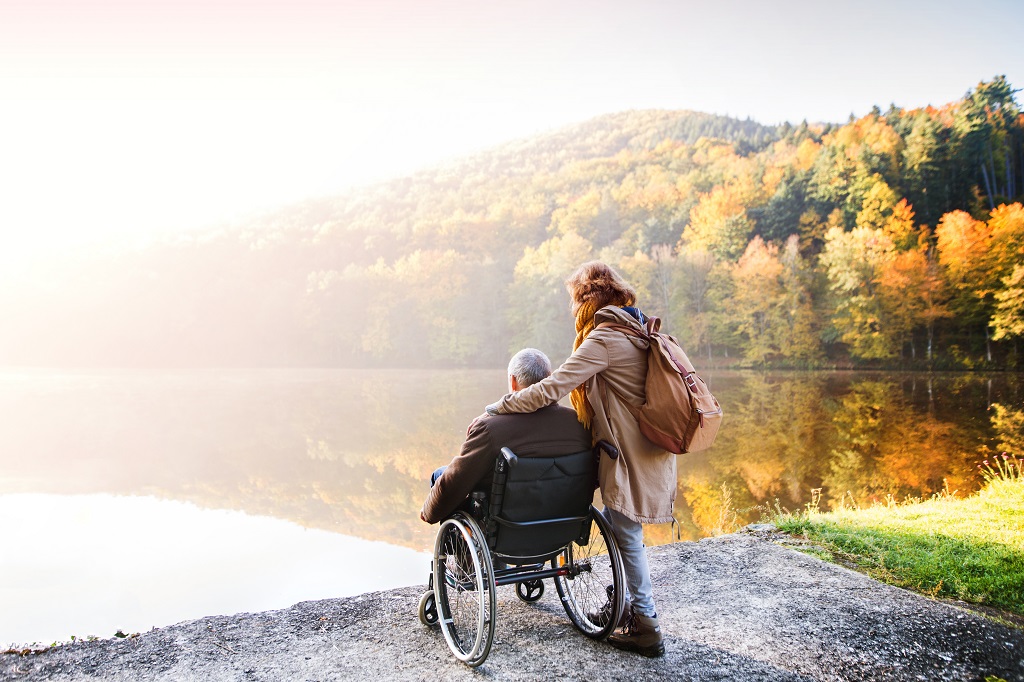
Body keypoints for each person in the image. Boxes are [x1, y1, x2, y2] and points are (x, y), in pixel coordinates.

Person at [484, 261, 672, 658]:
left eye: (575, 302)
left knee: (627, 535)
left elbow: (552, 386)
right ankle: (624, 607)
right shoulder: (636, 329)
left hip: (626, 456)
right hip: (650, 449)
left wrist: (502, 405)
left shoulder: (604, 339)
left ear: (587, 301)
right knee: (626, 533)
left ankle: (646, 623)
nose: (573, 311)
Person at [420, 348, 591, 525]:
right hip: (560, 524)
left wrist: (429, 512)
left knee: (441, 475)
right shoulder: (579, 423)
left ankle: (458, 551)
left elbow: (456, 481)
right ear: (550, 378)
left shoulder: (490, 429)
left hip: (506, 527)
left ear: (513, 381)